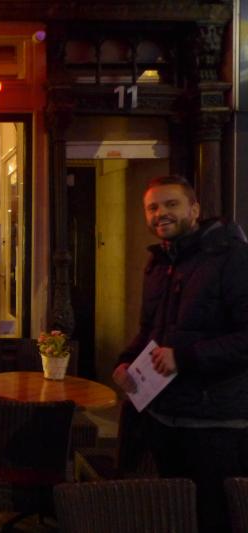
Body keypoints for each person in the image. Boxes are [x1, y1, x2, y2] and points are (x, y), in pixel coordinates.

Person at [112, 175, 248, 533]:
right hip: (163, 416)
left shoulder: (232, 257)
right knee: (172, 518)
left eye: (171, 204)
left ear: (195, 209)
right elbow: (150, 330)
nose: (161, 213)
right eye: (152, 207)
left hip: (215, 425)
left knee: (214, 518)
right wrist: (126, 361)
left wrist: (184, 357)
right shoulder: (159, 262)